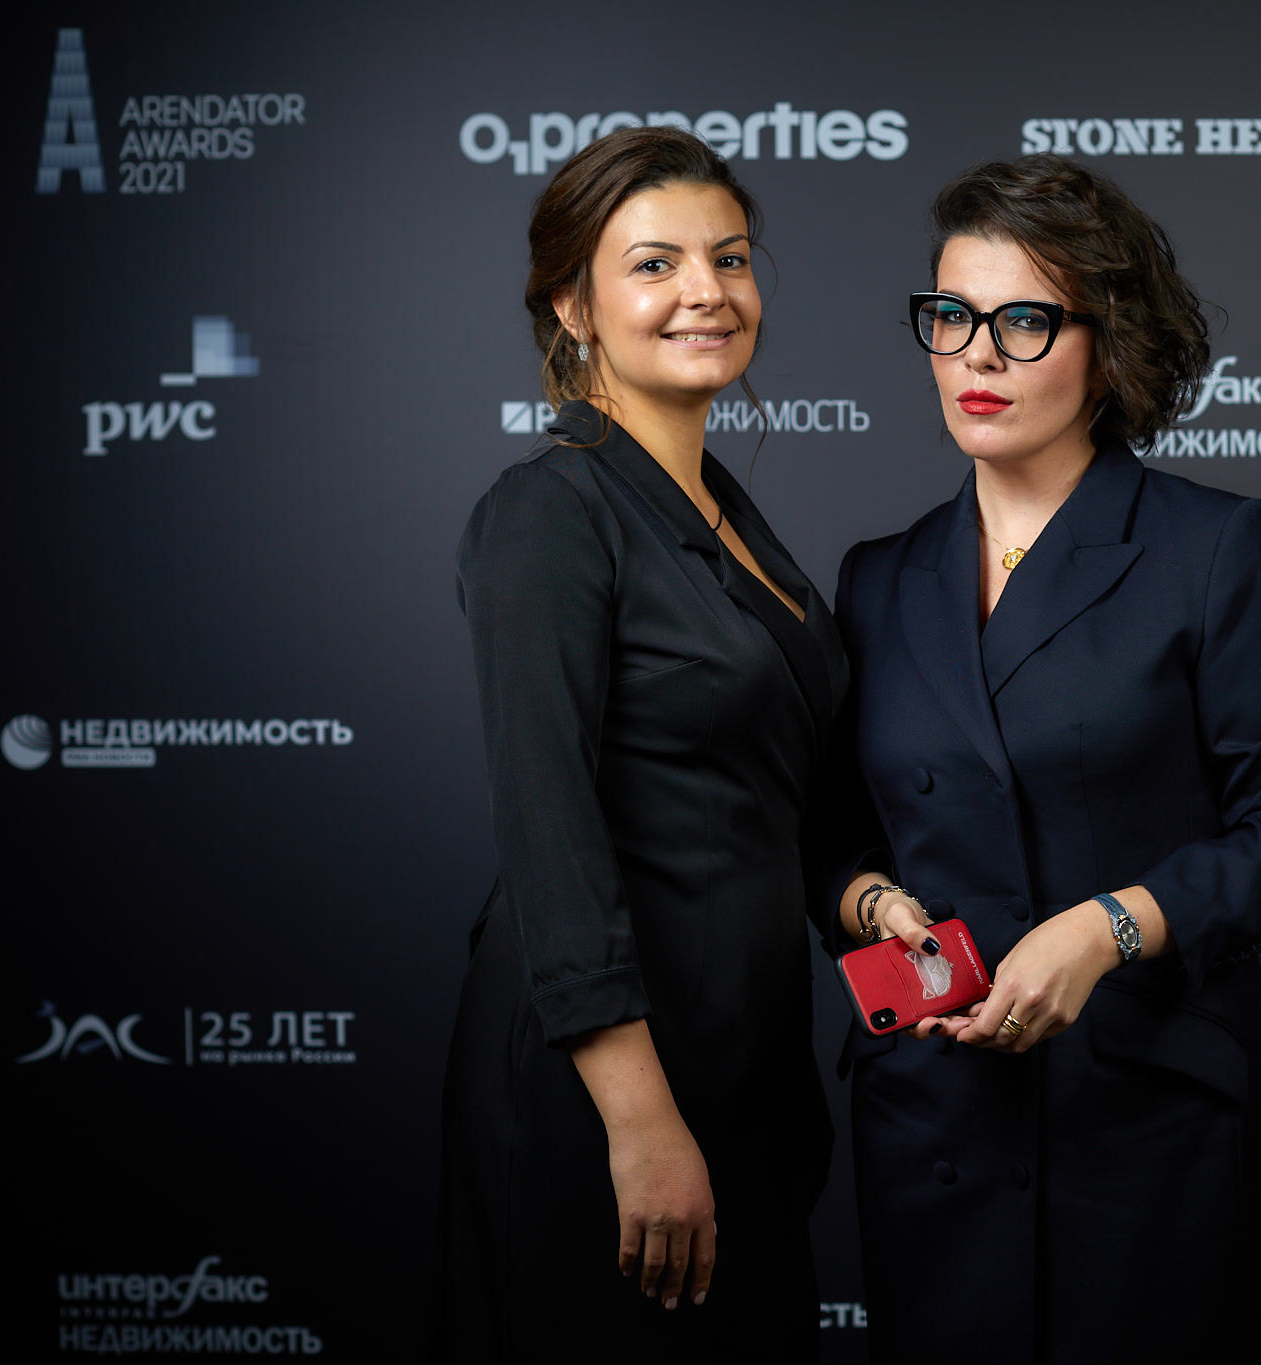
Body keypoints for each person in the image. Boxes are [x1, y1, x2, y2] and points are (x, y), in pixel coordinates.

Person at [825, 155, 1261, 1360]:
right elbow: (833, 839)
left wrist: (1106, 928)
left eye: (1023, 321)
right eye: (951, 317)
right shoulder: (876, 577)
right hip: (936, 1119)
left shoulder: (1215, 546)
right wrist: (872, 906)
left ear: (1106, 348)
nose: (977, 356)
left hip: (1144, 1120)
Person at [435, 126, 844, 1363]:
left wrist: (876, 909)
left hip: (744, 1061)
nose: (705, 292)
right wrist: (639, 1122)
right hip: (612, 1088)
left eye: (730, 257)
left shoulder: (726, 514)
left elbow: (778, 795)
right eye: (654, 265)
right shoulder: (546, 513)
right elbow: (548, 829)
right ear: (573, 307)